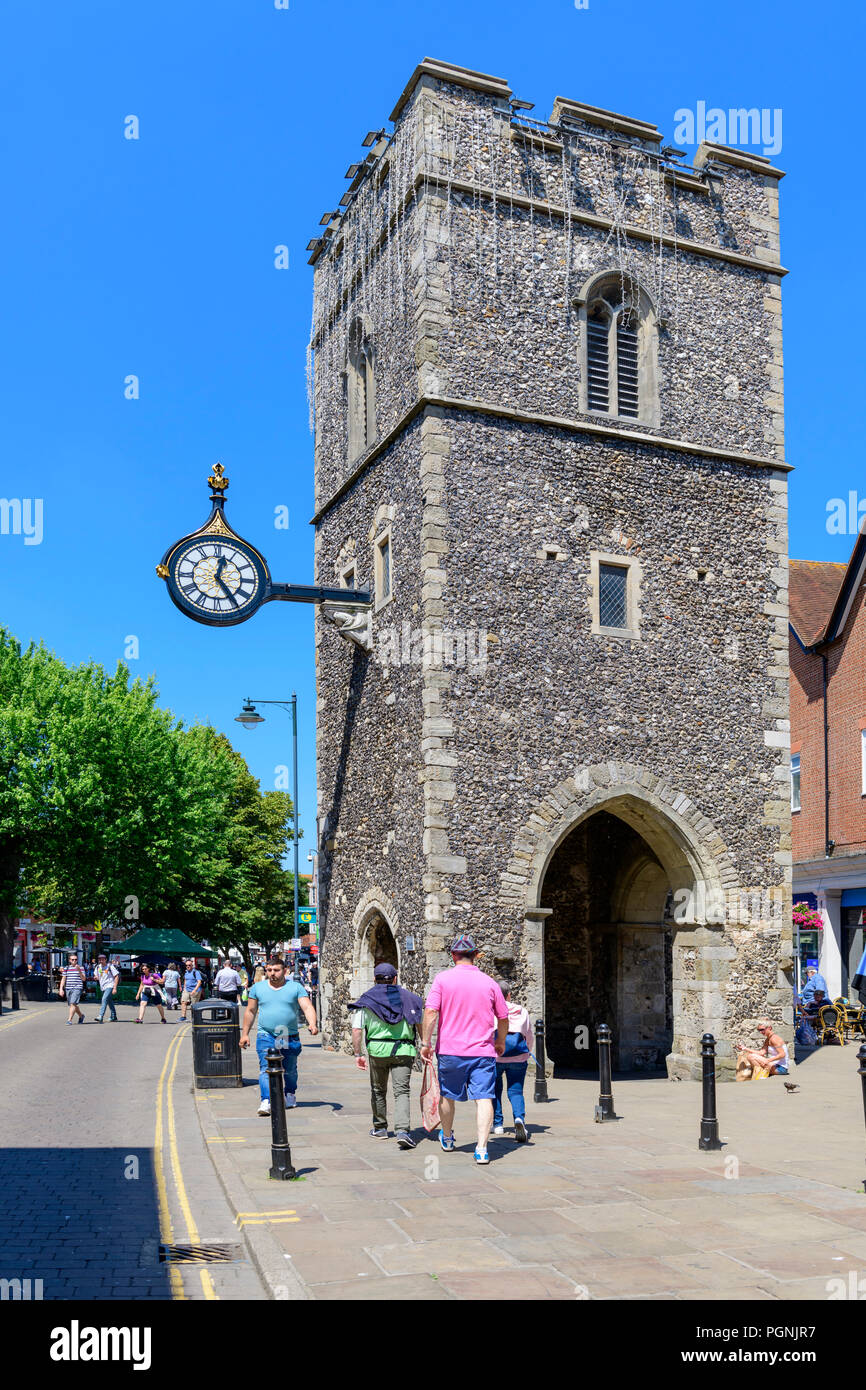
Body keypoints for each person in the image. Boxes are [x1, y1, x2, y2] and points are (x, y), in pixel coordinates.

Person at [420, 935, 509, 1165]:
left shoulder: (442, 980)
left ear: (453, 956)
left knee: (448, 1096)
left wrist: (426, 1043)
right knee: (484, 1098)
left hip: (450, 1051)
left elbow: (430, 1012)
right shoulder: (490, 983)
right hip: (482, 1052)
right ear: (476, 954)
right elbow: (503, 1016)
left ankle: (448, 1138)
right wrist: (500, 1041)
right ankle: (481, 1149)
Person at [350, 962, 424, 1149]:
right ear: (395, 978)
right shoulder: (410, 998)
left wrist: (358, 1053)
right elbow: (418, 1022)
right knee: (402, 1092)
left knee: (378, 1090)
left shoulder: (366, 1000)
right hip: (403, 1050)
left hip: (377, 1051)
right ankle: (403, 1131)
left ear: (375, 979)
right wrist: (425, 1044)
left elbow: (357, 1030)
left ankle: (380, 1128)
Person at [240, 955, 318, 1116]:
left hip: (288, 1035)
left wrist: (312, 1023)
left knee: (289, 1069)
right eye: (269, 970)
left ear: (285, 971)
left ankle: (289, 1093)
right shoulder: (258, 988)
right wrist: (245, 1034)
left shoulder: (295, 987)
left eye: (276, 970)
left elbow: (307, 1006)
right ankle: (266, 1100)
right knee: (265, 1068)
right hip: (266, 1034)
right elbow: (250, 1011)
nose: (272, 973)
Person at [492, 980, 532, 1143]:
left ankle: (498, 1124)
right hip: (518, 1057)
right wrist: (527, 1052)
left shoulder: (491, 1011)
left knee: (494, 1090)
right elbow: (529, 1035)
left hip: (495, 1056)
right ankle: (519, 1118)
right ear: (509, 995)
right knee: (515, 1091)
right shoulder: (521, 1011)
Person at [60, 953, 88, 1024]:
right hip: (68, 988)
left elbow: (84, 979)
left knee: (73, 1003)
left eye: (76, 960)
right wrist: (61, 989)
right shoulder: (66, 968)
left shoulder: (81, 968)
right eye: (72, 960)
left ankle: (69, 1020)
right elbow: (63, 979)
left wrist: (79, 971)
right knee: (73, 1004)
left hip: (77, 988)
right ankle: (81, 1016)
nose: (74, 961)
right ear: (69, 960)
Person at [95, 953, 120, 1023]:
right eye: (99, 959)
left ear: (105, 960)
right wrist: (96, 977)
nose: (101, 961)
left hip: (110, 985)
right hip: (102, 987)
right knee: (109, 1001)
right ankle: (114, 1016)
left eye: (102, 959)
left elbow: (116, 976)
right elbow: (96, 975)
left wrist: (115, 988)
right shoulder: (98, 967)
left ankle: (100, 1016)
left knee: (104, 999)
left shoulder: (110, 966)